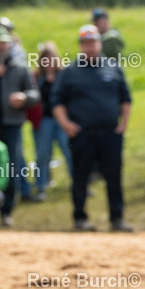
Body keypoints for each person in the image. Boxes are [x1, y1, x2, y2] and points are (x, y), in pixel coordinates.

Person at [53, 26, 133, 232]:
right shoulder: (70, 72)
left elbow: (126, 98)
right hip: (82, 134)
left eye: (93, 43)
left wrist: (124, 123)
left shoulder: (113, 68)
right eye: (86, 44)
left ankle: (117, 218)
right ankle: (80, 218)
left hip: (110, 133)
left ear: (100, 43)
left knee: (114, 176)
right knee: (81, 176)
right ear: (81, 46)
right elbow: (57, 101)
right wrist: (65, 124)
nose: (90, 47)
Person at [0, 27, 40, 226]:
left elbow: (34, 94)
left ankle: (6, 210)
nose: (0, 47)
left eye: (4, 43)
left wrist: (24, 97)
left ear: (10, 45)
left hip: (11, 125)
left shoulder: (20, 67)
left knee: (11, 167)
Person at [31, 41, 72, 201]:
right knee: (42, 154)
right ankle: (41, 186)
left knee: (69, 151)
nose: (49, 62)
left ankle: (78, 182)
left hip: (62, 121)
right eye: (45, 59)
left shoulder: (64, 75)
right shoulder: (36, 77)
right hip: (44, 120)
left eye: (52, 58)